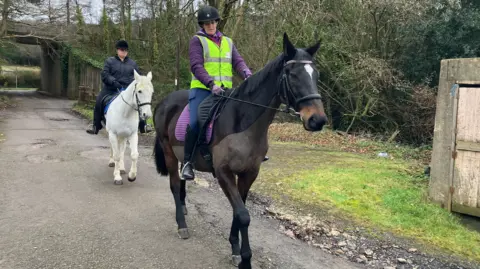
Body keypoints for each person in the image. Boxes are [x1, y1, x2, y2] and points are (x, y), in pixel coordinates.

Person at [181, 5, 268, 181]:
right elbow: (196, 66)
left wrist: (247, 74)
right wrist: (211, 84)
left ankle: (253, 151)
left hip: (226, 91)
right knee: (196, 120)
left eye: (213, 21)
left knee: (247, 112)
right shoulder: (197, 41)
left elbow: (238, 61)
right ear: (202, 24)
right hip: (203, 90)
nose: (211, 25)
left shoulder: (227, 41)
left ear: (217, 22)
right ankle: (187, 162)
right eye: (207, 23)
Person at [86, 40, 151, 135]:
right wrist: (113, 81)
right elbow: (105, 74)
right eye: (121, 49)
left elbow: (138, 78)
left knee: (139, 102)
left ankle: (143, 125)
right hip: (112, 89)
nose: (123, 52)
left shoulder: (133, 64)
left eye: (125, 50)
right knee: (99, 101)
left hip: (127, 90)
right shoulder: (110, 61)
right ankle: (96, 125)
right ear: (117, 50)